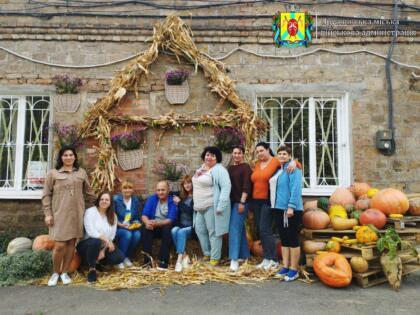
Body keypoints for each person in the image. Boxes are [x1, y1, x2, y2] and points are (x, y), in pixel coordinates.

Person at [42, 145, 96, 287]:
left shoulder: (81, 173)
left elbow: (89, 193)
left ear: (75, 157)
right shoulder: (53, 174)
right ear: (61, 157)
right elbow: (46, 195)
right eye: (65, 155)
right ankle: (55, 272)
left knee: (72, 244)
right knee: (59, 245)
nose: (68, 157)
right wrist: (48, 214)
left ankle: (65, 272)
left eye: (71, 155)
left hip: (77, 214)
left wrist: (96, 209)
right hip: (59, 214)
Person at [251, 142, 297, 271]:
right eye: (257, 152)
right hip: (256, 201)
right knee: (261, 230)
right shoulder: (258, 164)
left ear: (267, 150)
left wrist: (294, 162)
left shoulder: (276, 160)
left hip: (268, 201)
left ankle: (274, 259)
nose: (259, 153)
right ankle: (267, 258)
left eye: (261, 150)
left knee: (265, 229)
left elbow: (293, 164)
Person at [192, 146, 231, 266]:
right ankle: (207, 254)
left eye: (213, 156)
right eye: (208, 154)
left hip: (211, 206)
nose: (209, 157)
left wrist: (221, 206)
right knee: (200, 231)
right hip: (199, 208)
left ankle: (215, 258)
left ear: (217, 158)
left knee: (213, 233)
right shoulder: (202, 168)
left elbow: (226, 187)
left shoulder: (219, 170)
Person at [76, 191, 125, 284]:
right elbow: (91, 232)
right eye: (102, 199)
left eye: (107, 199)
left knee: (119, 258)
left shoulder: (113, 216)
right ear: (98, 200)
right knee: (96, 242)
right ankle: (92, 269)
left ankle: (98, 262)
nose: (104, 201)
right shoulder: (90, 212)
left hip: (103, 246)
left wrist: (103, 250)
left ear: (110, 202)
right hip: (86, 245)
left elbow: (112, 235)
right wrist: (106, 240)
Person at [271, 146, 304, 282]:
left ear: (289, 156)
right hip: (279, 209)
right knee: (284, 239)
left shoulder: (293, 170)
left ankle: (294, 269)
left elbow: (296, 189)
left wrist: (291, 207)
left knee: (292, 239)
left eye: (284, 154)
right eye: (279, 154)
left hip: (291, 210)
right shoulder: (280, 170)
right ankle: (285, 266)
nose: (282, 156)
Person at [141, 181, 178, 269]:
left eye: (163, 190)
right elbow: (144, 215)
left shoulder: (172, 201)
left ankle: (163, 261)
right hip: (153, 226)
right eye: (158, 190)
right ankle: (147, 262)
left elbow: (171, 219)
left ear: (168, 190)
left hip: (164, 225)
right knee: (145, 229)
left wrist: (158, 223)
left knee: (167, 229)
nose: (160, 192)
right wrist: (147, 222)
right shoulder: (152, 199)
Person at [227, 145, 252, 272]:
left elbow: (247, 186)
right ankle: (244, 255)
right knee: (239, 229)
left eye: (239, 153)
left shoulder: (246, 167)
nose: (236, 155)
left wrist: (242, 202)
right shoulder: (230, 168)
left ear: (243, 154)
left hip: (241, 202)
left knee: (234, 229)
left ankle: (234, 259)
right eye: (234, 153)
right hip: (231, 203)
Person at [113, 178, 141, 269]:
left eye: (129, 188)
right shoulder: (116, 199)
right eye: (125, 188)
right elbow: (112, 216)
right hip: (119, 227)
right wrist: (120, 224)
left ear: (132, 190)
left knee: (137, 235)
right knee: (128, 234)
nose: (127, 190)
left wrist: (136, 223)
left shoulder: (135, 200)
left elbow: (137, 215)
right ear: (121, 189)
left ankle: (126, 257)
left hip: (130, 226)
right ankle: (119, 260)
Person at [171, 175, 194, 272]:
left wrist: (180, 203)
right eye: (185, 183)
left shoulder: (196, 197)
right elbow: (170, 193)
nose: (187, 185)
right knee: (174, 230)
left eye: (189, 183)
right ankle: (185, 256)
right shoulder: (182, 196)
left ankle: (179, 261)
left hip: (192, 227)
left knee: (180, 232)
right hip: (182, 225)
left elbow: (191, 212)